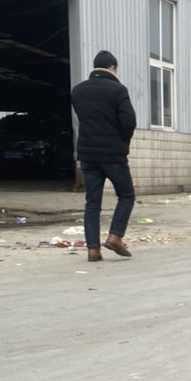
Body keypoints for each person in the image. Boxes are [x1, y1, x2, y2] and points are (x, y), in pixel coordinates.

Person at [70, 50, 137, 262]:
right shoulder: (118, 90)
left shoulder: (78, 91)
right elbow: (129, 121)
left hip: (88, 154)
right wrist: (123, 142)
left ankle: (93, 249)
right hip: (113, 154)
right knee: (126, 195)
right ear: (112, 68)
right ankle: (115, 236)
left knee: (92, 202)